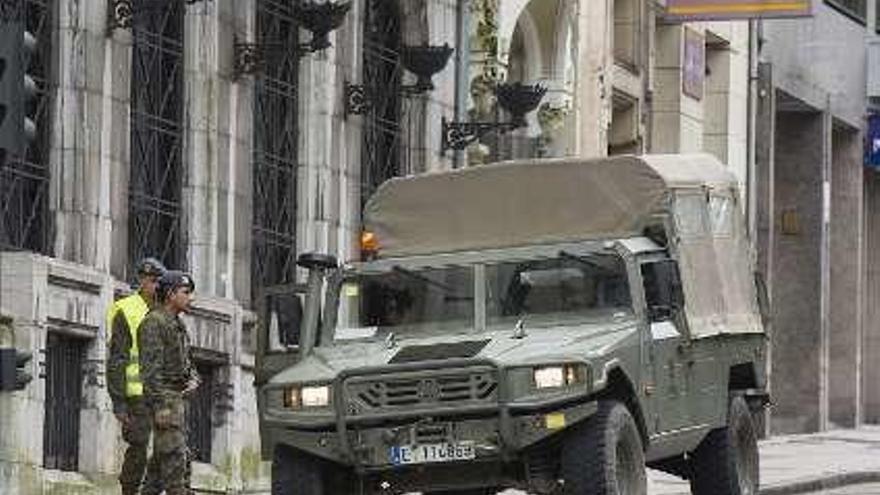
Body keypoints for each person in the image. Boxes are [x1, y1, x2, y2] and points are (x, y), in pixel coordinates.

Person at [106, 257, 166, 495]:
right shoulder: (126, 309)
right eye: (152, 281)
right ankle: (129, 490)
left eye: (159, 282)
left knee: (168, 447)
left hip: (162, 393)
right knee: (139, 445)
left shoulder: (165, 310)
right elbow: (118, 358)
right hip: (136, 396)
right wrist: (119, 402)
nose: (155, 286)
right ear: (142, 281)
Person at [138, 270, 200, 495]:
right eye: (186, 292)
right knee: (175, 461)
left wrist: (193, 378)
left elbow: (186, 361)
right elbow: (150, 370)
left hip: (178, 398)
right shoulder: (154, 323)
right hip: (165, 400)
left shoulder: (177, 324)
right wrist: (160, 407)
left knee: (160, 465)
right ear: (171, 294)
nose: (191, 298)